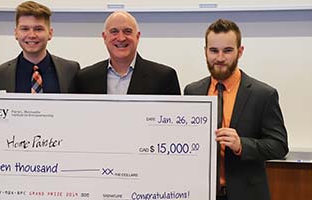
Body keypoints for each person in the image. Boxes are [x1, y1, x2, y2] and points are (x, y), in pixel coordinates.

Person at [184, 19, 288, 200]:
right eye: (214, 50)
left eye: (228, 50)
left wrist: (242, 145)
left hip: (247, 194)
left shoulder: (263, 94)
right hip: (201, 193)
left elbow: (279, 146)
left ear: (240, 52)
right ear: (205, 51)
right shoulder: (192, 91)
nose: (220, 58)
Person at [0, 1, 80, 129]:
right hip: (14, 145)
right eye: (25, 29)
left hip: (58, 144)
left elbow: (81, 113)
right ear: (16, 33)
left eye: (38, 29)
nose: (31, 35)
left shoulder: (70, 70)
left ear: (50, 33)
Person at [76, 11, 180, 95]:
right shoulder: (85, 79)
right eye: (114, 31)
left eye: (127, 31)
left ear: (137, 37)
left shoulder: (164, 77)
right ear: (104, 37)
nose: (121, 38)